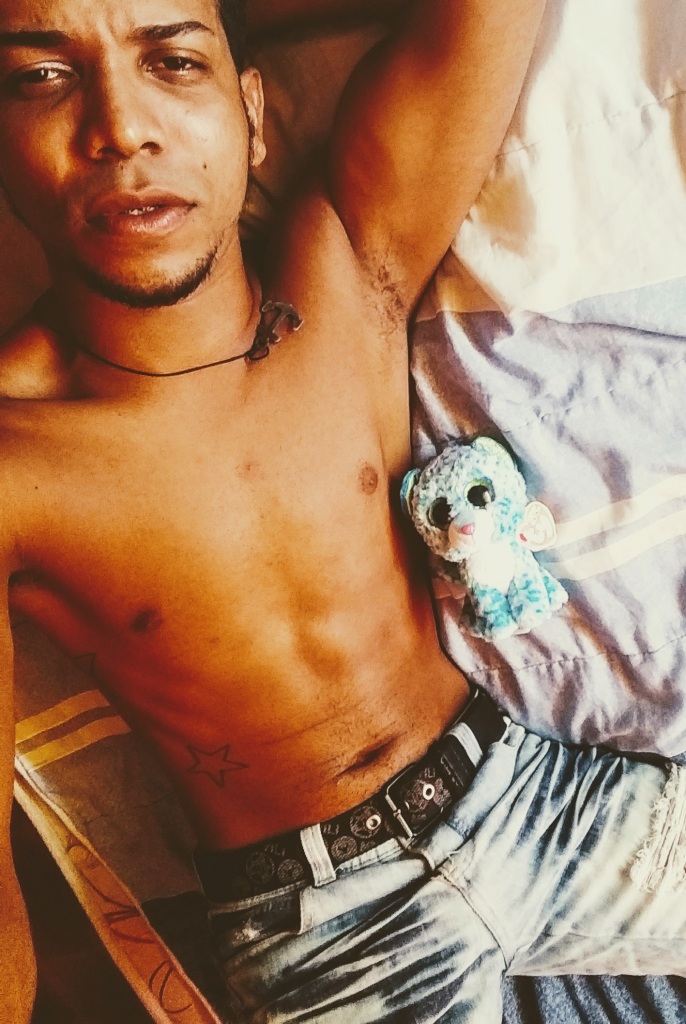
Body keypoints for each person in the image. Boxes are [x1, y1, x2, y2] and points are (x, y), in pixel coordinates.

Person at [1, 1, 686, 1022]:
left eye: (173, 61)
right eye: (42, 77)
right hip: (322, 926)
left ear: (252, 114)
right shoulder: (15, 462)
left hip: (532, 792)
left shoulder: (349, 265)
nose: (123, 127)